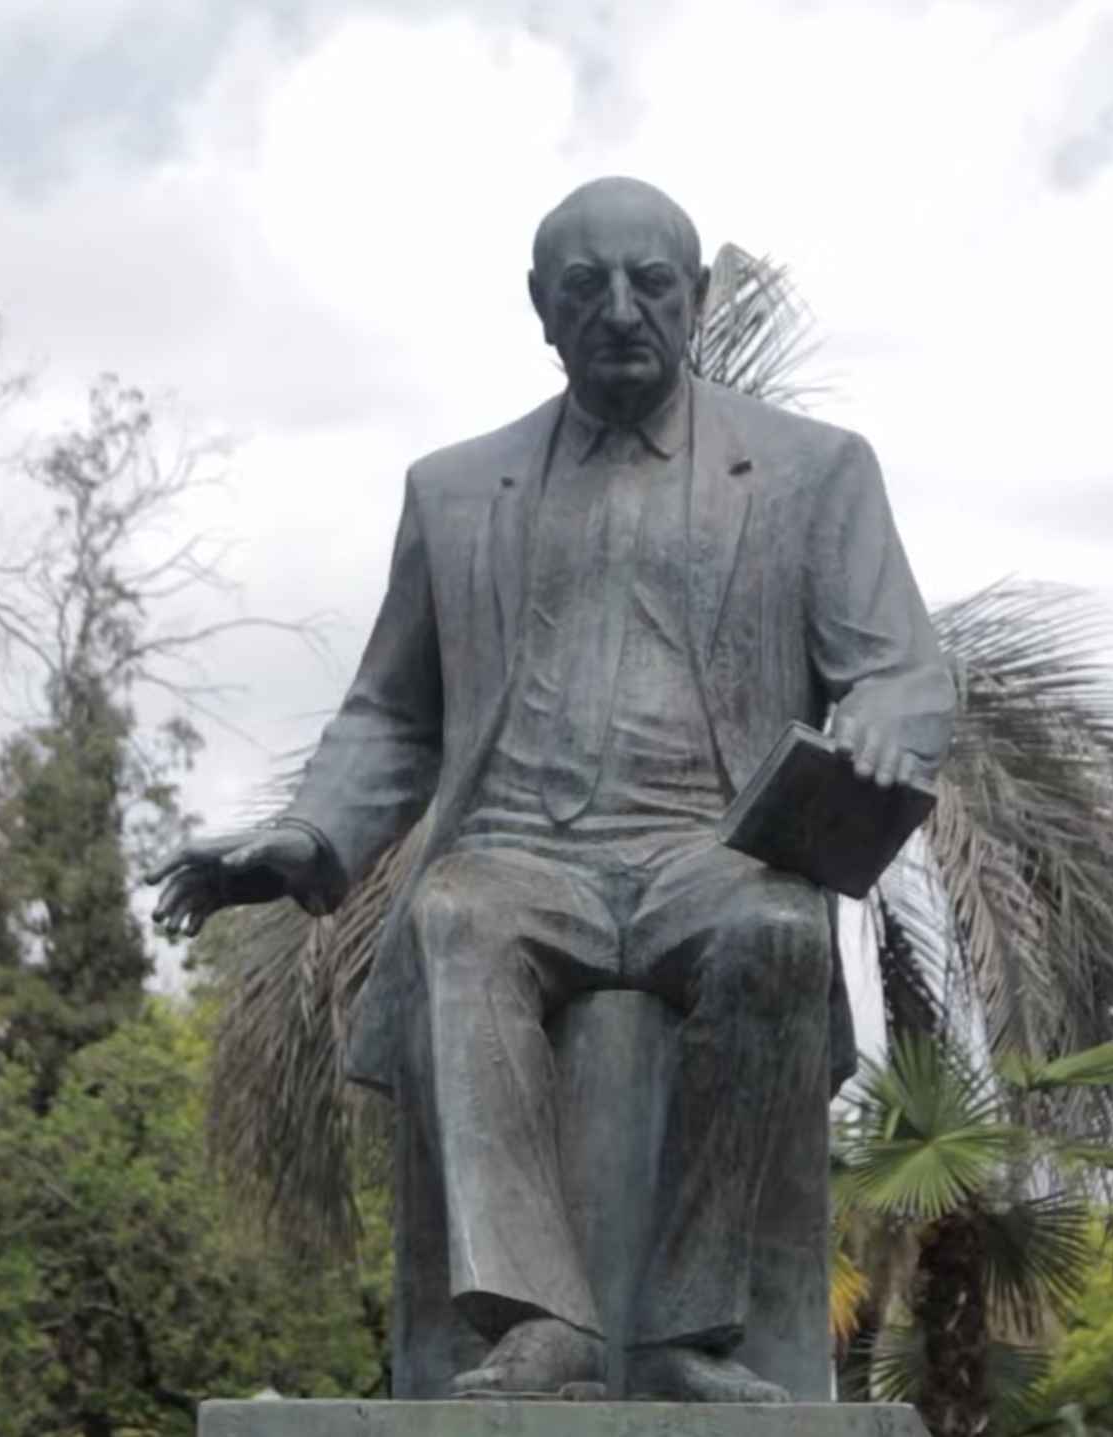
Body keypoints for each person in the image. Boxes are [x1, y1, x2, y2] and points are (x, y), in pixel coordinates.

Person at [147, 176, 954, 1402]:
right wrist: (310, 838)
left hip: (715, 852)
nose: (621, 309)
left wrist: (887, 724)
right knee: (456, 920)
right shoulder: (454, 492)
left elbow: (898, 667)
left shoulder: (812, 472)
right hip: (522, 852)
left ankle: (686, 1328)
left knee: (776, 933)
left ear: (695, 297)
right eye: (587, 286)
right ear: (540, 306)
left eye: (652, 283)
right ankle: (540, 1323)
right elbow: (392, 712)